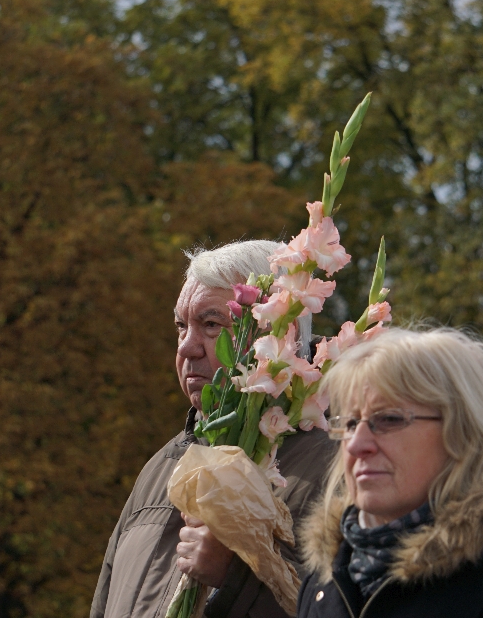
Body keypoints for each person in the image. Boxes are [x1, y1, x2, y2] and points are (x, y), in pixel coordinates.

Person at [91, 240, 336, 618]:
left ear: (278, 332)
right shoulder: (160, 468)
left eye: (211, 325)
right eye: (180, 326)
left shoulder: (343, 467)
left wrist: (236, 576)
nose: (187, 348)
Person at [297, 327, 483, 618]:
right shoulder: (324, 579)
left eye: (389, 419)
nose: (358, 444)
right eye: (350, 424)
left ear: (463, 433)